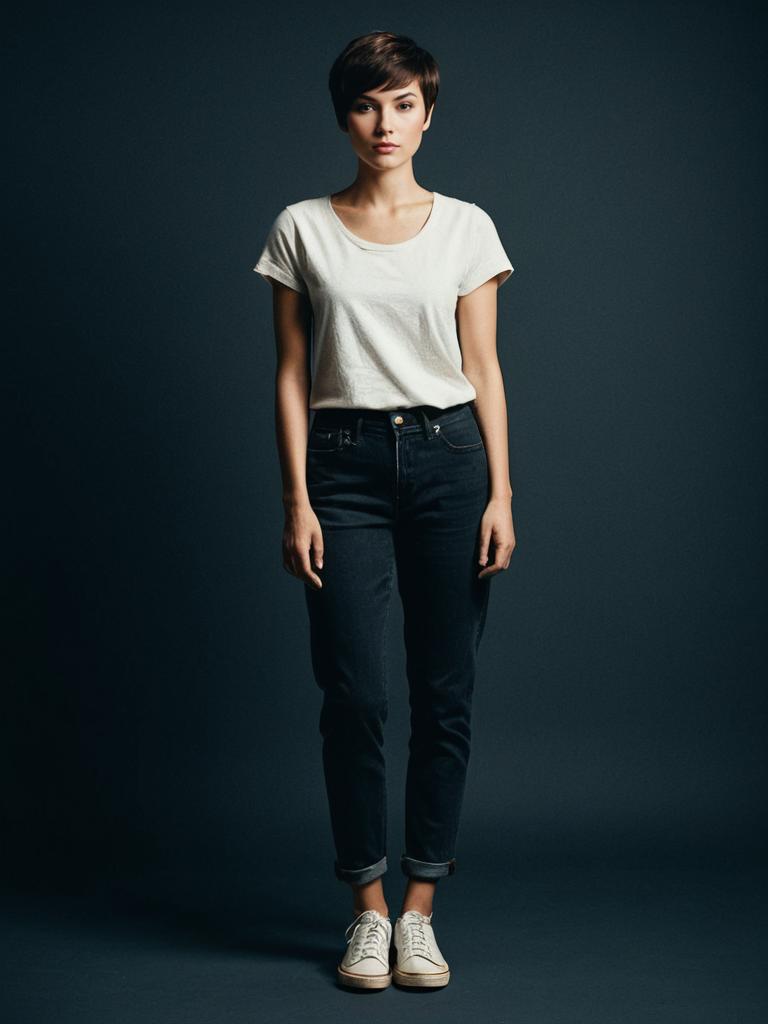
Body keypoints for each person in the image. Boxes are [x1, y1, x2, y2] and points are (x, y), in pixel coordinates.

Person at [253, 30, 516, 991]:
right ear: (344, 115)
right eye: (368, 104)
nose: (385, 123)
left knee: (445, 694)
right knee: (355, 693)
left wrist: (503, 491)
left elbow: (483, 367)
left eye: (403, 103)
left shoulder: (467, 227)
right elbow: (288, 372)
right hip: (343, 465)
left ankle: (420, 912)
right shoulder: (301, 228)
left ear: (429, 112)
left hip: (450, 461)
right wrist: (297, 499)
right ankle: (365, 911)